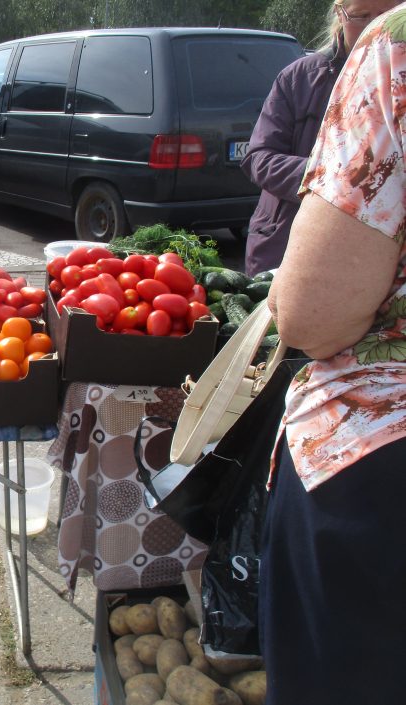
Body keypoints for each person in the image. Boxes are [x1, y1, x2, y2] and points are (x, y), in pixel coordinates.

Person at [262, 4, 406, 703]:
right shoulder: (297, 77)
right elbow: (259, 156)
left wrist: (334, 180)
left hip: (380, 466)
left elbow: (314, 314)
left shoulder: (395, 48)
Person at [240, 0, 401, 277]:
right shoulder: (298, 78)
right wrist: (335, 179)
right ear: (340, 15)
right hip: (285, 246)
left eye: (387, 16)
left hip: (374, 257)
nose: (375, 27)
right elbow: (259, 159)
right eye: (361, 16)